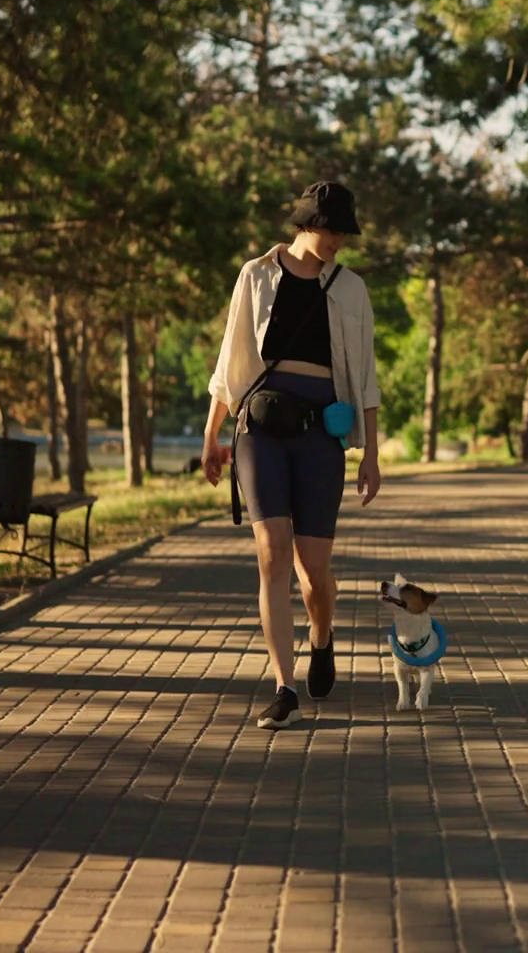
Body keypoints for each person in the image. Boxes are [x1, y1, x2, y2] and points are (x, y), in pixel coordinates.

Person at [203, 182, 383, 729]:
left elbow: (366, 377)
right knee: (272, 551)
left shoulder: (350, 289)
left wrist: (371, 455)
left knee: (314, 569)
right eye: (332, 230)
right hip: (259, 427)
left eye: (344, 233)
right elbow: (231, 358)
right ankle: (284, 687)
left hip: (320, 434)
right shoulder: (256, 275)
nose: (338, 241)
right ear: (308, 223)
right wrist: (211, 435)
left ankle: (321, 637)